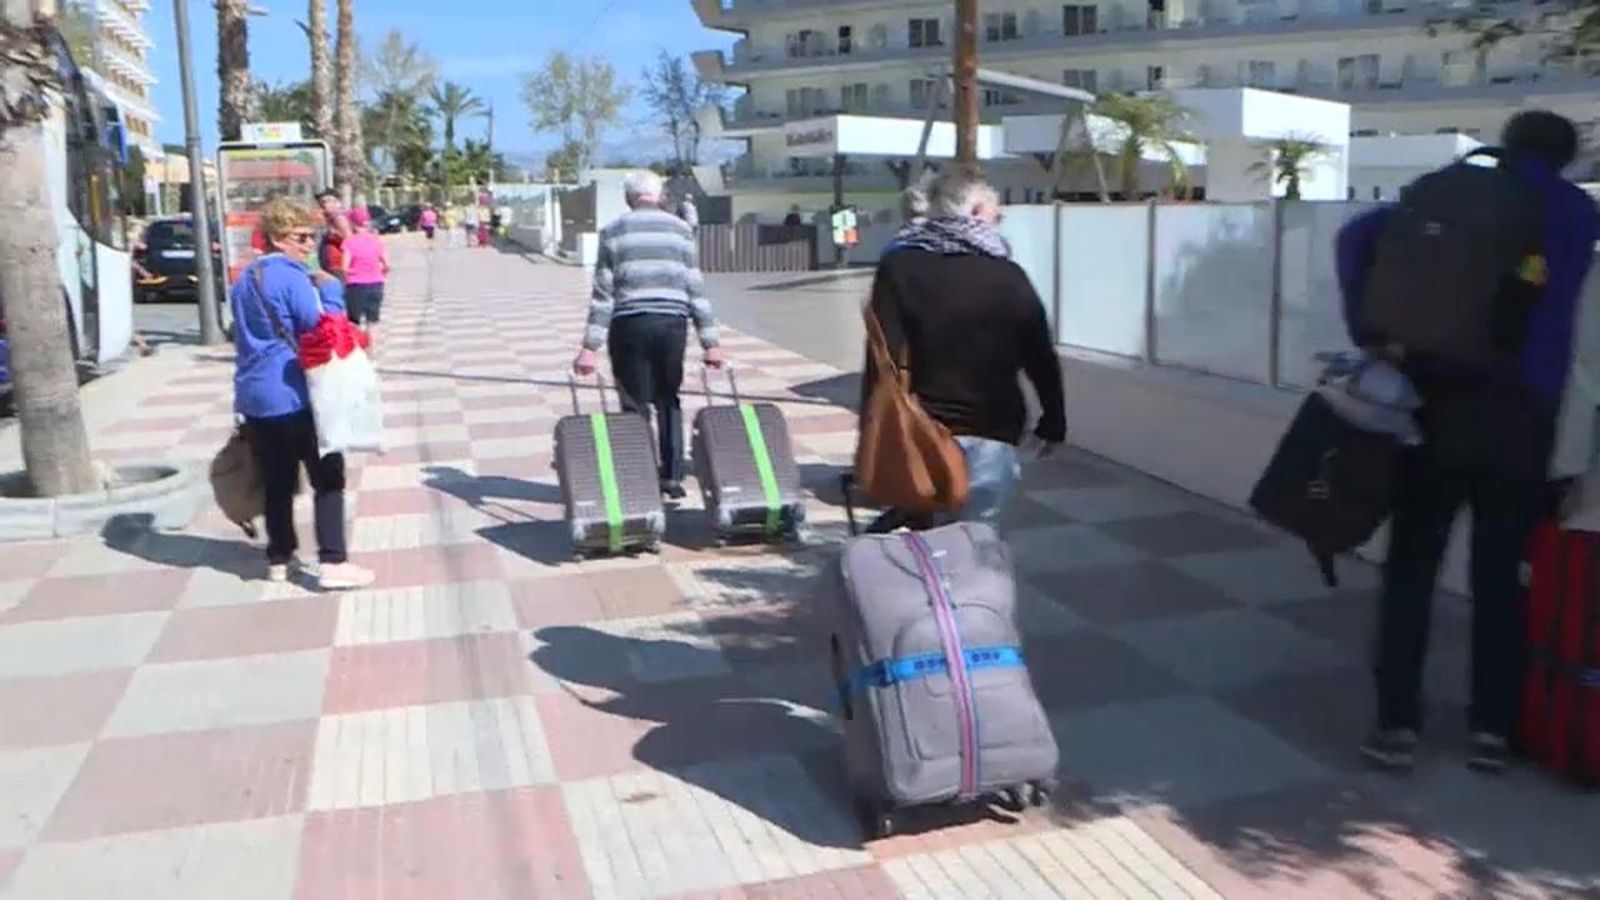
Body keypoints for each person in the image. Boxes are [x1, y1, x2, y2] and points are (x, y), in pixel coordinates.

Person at [1338, 110, 1600, 774]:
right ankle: (1493, 729)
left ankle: (1394, 725)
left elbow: (1353, 239)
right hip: (1520, 420)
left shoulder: (1444, 189)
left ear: (1508, 147)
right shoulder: (1575, 213)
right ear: (1567, 158)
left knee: (1410, 570)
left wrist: (1372, 336)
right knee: (1502, 576)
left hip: (1430, 405)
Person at [860, 167, 1066, 531]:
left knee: (921, 542)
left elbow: (882, 358)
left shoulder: (899, 266)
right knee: (976, 541)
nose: (998, 224)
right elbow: (1040, 355)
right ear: (974, 212)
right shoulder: (1008, 276)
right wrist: (1053, 421)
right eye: (995, 215)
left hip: (918, 431)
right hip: (992, 431)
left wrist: (872, 426)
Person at [229, 198, 374, 591]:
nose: (309, 245)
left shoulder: (245, 279)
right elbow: (318, 329)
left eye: (312, 237)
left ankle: (280, 557)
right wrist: (331, 292)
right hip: (296, 393)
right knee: (327, 477)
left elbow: (240, 334)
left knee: (277, 481)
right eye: (301, 237)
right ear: (278, 238)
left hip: (255, 395)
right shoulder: (292, 276)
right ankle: (333, 562)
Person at [572, 170, 724, 500]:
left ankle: (640, 479)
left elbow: (604, 294)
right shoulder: (682, 230)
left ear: (629, 198)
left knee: (634, 403)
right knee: (668, 399)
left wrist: (589, 347)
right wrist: (711, 343)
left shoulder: (612, 231)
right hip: (673, 324)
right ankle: (672, 477)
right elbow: (695, 287)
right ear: (658, 196)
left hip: (630, 325)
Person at [342, 206, 389, 334]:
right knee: (372, 321)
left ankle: (359, 349)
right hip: (376, 283)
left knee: (355, 321)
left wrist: (349, 275)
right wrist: (381, 274)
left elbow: (344, 267)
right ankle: (370, 348)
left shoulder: (349, 242)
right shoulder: (376, 241)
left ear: (351, 223)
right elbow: (387, 264)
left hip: (356, 284)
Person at [315, 189, 350, 280]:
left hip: (337, 263)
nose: (323, 205)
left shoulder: (339, 218)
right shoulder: (328, 219)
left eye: (327, 201)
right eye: (321, 202)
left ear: (337, 203)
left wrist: (332, 233)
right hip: (328, 263)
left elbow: (348, 239)